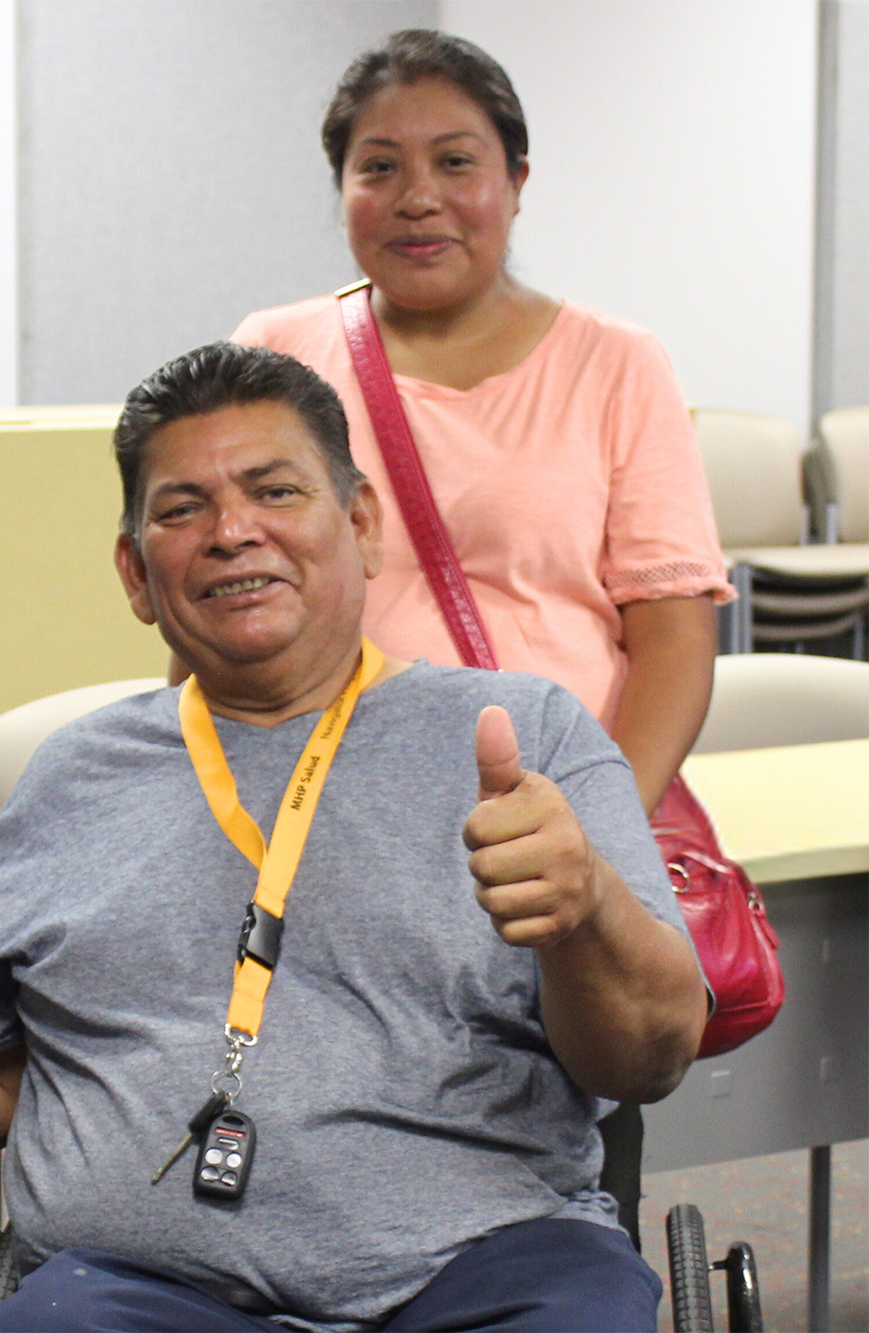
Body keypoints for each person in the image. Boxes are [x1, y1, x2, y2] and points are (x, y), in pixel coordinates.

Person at [0, 342, 708, 1331]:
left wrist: (582, 912)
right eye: (180, 508)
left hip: (486, 1269)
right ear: (133, 572)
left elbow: (650, 1056)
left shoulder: (525, 737)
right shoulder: (70, 777)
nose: (232, 531)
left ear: (360, 524)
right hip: (135, 1288)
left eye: (273, 490)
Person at [228, 28, 732, 1235]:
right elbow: (225, 588)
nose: (416, 199)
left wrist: (599, 828)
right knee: (317, 1162)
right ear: (339, 187)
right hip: (323, 838)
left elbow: (670, 634)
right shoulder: (274, 351)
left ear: (513, 179)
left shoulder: (615, 364)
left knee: (559, 1169)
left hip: (552, 835)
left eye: (454, 162)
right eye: (375, 167)